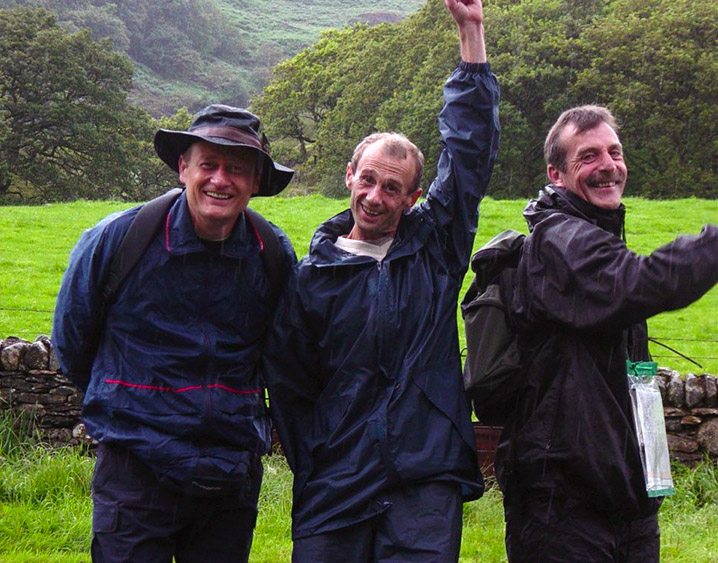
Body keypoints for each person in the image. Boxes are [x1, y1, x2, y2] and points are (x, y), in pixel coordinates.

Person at [262, 1, 500, 560]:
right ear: (349, 175)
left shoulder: (435, 250)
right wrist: (318, 452)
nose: (374, 196)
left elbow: (469, 155)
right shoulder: (311, 277)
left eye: (392, 188)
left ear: (413, 197)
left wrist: (471, 33)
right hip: (333, 478)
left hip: (424, 478)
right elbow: (290, 385)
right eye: (366, 180)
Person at [52, 105, 295, 562]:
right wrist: (126, 405)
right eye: (209, 164)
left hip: (229, 475)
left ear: (257, 181)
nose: (221, 180)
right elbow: (72, 342)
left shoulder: (272, 254)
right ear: (184, 167)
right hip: (135, 470)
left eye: (237, 169)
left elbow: (282, 357)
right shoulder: (120, 240)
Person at [495, 105, 718, 562]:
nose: (608, 166)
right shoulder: (560, 241)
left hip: (625, 495)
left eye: (614, 152)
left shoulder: (597, 236)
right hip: (565, 503)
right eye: (588, 156)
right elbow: (640, 282)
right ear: (556, 174)